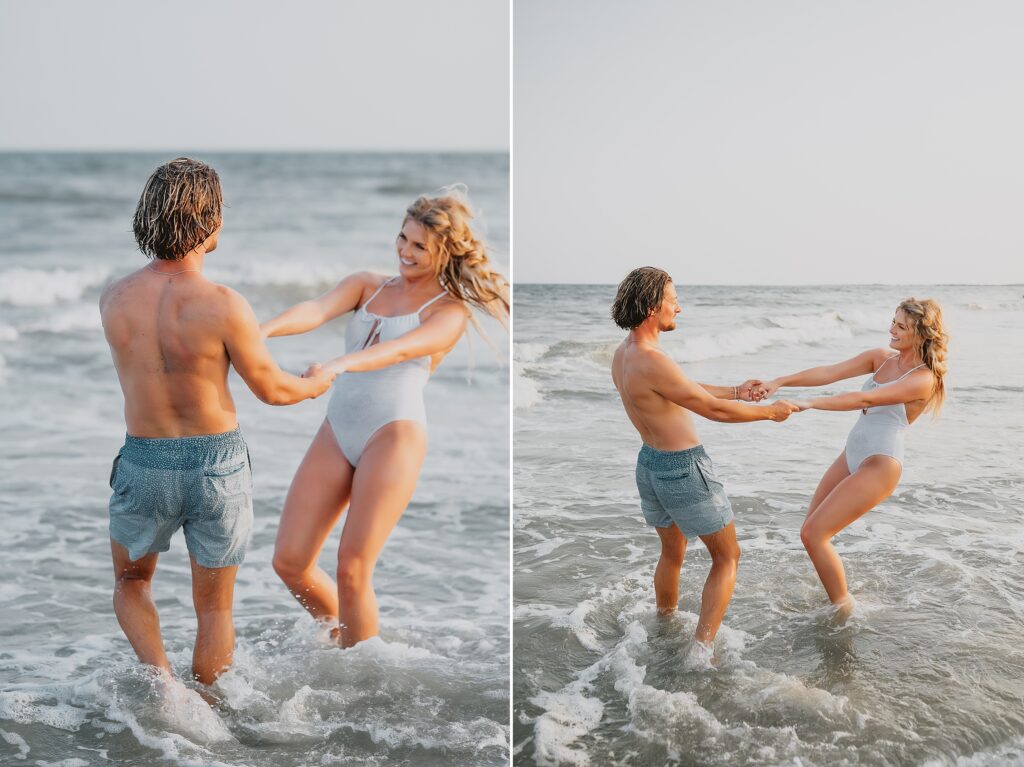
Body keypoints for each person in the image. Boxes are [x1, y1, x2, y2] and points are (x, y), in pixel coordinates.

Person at [100, 157, 335, 687]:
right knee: (214, 610)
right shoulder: (226, 304)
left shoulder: (113, 297)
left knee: (131, 582)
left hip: (144, 460)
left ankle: (164, 689)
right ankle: (207, 711)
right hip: (216, 465)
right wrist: (318, 381)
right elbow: (273, 391)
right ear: (210, 222)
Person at [262, 189, 509, 647]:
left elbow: (399, 349)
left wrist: (336, 365)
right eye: (402, 238)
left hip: (393, 434)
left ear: (445, 252)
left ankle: (360, 671)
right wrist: (259, 332)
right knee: (290, 562)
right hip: (338, 431)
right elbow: (315, 310)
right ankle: (344, 639)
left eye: (419, 246)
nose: (405, 252)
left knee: (352, 568)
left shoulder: (448, 311)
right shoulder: (366, 284)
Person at [610, 267, 799, 652]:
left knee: (672, 551)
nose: (679, 308)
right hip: (684, 468)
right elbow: (714, 412)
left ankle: (665, 622)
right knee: (728, 556)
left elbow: (683, 392)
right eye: (673, 299)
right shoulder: (654, 359)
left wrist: (736, 391)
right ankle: (702, 650)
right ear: (651, 307)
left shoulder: (625, 354)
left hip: (650, 465)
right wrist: (770, 412)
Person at [750, 298, 949, 617]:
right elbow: (830, 372)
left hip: (881, 463)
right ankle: (838, 599)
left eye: (901, 326)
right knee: (809, 532)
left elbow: (866, 398)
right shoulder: (881, 358)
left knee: (815, 534)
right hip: (852, 454)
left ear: (921, 334)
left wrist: (809, 403)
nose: (892, 329)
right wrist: (779, 382)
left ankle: (843, 611)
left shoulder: (923, 378)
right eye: (893, 321)